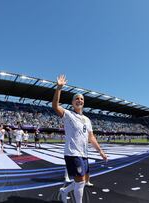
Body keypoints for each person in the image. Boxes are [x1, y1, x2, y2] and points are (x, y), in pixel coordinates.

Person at [52, 75, 108, 203]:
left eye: (81, 99)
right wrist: (59, 88)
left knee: (81, 182)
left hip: (84, 154)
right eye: (77, 98)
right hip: (72, 153)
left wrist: (101, 152)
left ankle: (64, 191)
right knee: (81, 180)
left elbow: (91, 137)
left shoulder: (87, 120)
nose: (79, 100)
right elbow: (55, 106)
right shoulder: (68, 115)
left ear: (83, 102)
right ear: (72, 102)